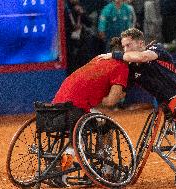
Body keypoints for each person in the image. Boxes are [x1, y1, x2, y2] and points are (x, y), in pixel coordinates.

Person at [98, 28, 176, 173]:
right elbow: (120, 92)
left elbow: (142, 57)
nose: (125, 49)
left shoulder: (156, 49)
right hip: (172, 98)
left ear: (140, 43)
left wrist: (113, 55)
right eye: (123, 47)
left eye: (128, 45)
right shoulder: (132, 70)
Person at [51, 38, 129, 187]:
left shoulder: (97, 59)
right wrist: (118, 95)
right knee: (106, 126)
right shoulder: (121, 67)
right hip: (76, 110)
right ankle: (105, 168)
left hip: (55, 109)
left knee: (82, 130)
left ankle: (62, 167)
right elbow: (110, 102)